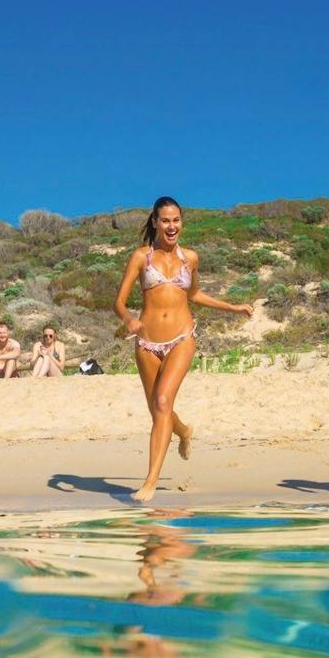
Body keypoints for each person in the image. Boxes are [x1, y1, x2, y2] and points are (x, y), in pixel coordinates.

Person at [112, 196, 253, 503]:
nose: (171, 226)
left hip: (181, 338)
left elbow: (195, 293)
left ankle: (150, 481)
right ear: (155, 222)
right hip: (147, 342)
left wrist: (232, 307)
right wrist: (129, 320)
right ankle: (185, 431)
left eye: (176, 220)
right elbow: (118, 303)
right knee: (159, 410)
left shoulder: (191, 257)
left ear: (181, 222)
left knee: (163, 401)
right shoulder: (140, 257)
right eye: (165, 220)